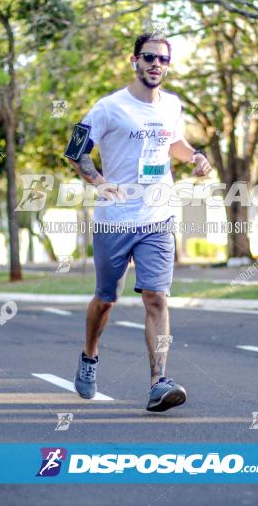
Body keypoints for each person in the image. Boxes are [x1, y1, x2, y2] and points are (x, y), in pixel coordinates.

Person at [65, 32, 212, 412]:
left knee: (157, 298)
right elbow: (75, 150)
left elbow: (172, 143)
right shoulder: (109, 108)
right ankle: (89, 356)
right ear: (134, 60)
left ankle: (159, 381)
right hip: (115, 219)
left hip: (158, 216)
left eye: (162, 59)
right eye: (148, 57)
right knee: (106, 300)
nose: (155, 64)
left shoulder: (172, 106)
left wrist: (195, 156)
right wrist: (98, 181)